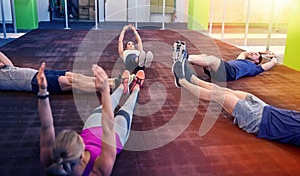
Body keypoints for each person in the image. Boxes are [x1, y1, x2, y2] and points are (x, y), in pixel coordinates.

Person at [37, 62, 145, 175]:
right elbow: (108, 128)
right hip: (114, 139)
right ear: (81, 156)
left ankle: (123, 87)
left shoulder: (51, 163)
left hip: (91, 130)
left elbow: (46, 126)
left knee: (109, 104)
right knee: (126, 110)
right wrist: (104, 91)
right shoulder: (97, 171)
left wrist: (43, 91)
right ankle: (136, 87)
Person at [172, 52, 300, 146]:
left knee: (220, 96)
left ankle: (182, 81)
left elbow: (270, 64)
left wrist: (274, 59)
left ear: (257, 62)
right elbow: (244, 54)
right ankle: (193, 79)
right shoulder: (244, 60)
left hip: (259, 120)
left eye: (257, 56)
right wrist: (265, 53)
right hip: (266, 108)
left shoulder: (255, 68)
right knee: (226, 91)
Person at [0, 51, 127, 93]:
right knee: (70, 81)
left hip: (37, 73)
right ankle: (111, 86)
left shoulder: (6, 68)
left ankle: (111, 80)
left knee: (73, 75)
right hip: (34, 82)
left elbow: (8, 63)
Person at [176, 40, 278, 81]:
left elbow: (273, 63)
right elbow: (246, 52)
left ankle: (184, 57)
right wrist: (262, 52)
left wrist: (273, 56)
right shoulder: (241, 59)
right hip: (223, 69)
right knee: (205, 57)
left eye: (255, 55)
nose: (252, 53)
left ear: (257, 61)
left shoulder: (256, 68)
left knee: (211, 59)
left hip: (230, 72)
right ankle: (183, 62)